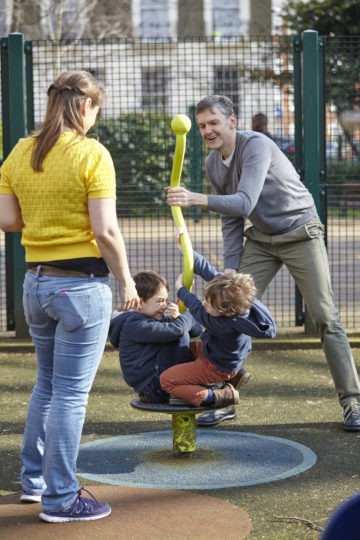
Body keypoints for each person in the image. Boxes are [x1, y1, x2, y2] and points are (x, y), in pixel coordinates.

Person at [166, 94, 360, 431]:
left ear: (232, 122)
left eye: (214, 122)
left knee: (325, 316)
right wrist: (227, 272)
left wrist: (194, 198)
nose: (208, 130)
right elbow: (231, 221)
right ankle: (224, 397)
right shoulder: (214, 163)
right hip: (262, 239)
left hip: (301, 231)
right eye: (202, 126)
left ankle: (353, 403)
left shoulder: (256, 145)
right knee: (227, 308)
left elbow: (243, 203)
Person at [0, 70, 139, 523]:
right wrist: (128, 283)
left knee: (47, 385)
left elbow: (9, 222)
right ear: (84, 106)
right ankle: (61, 500)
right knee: (70, 395)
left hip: (35, 285)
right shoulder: (91, 153)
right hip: (81, 288)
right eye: (96, 109)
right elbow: (105, 231)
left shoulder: (19, 152)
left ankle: (34, 483)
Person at [159, 240, 276, 408]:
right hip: (217, 354)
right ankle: (233, 375)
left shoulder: (224, 324)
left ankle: (218, 395)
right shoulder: (238, 300)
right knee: (177, 349)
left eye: (209, 304)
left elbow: (197, 308)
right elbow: (210, 272)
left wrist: (181, 289)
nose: (205, 303)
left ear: (227, 313)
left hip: (216, 365)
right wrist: (185, 248)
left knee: (166, 380)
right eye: (206, 299)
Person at [109, 269, 202, 403]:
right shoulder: (134, 325)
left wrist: (179, 317)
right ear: (139, 303)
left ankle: (214, 374)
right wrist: (191, 311)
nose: (164, 306)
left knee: (191, 340)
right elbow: (179, 330)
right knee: (177, 334)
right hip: (152, 388)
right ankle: (182, 387)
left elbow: (196, 332)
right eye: (159, 301)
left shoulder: (155, 318)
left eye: (165, 300)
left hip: (158, 382)